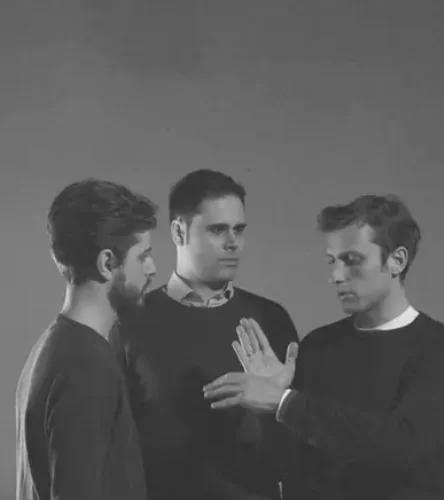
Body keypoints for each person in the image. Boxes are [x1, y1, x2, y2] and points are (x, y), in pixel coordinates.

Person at [204, 194, 444, 500]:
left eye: (352, 260)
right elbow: (287, 463)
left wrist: (286, 402)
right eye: (332, 260)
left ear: (397, 260)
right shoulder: (319, 346)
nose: (336, 276)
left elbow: (401, 445)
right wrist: (269, 408)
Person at [110, 169, 299, 500]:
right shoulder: (130, 324)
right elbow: (114, 449)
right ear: (178, 231)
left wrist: (276, 405)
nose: (233, 243)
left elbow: (300, 453)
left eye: (239, 230)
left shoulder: (271, 319)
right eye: (217, 230)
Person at [16, 179, 158, 500]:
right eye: (143, 256)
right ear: (107, 263)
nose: (152, 268)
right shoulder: (86, 368)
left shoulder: (49, 351)